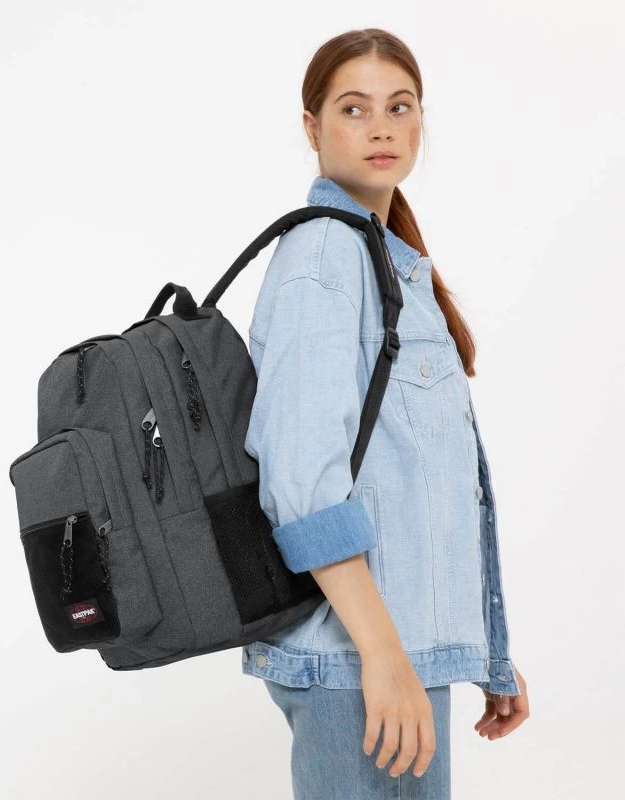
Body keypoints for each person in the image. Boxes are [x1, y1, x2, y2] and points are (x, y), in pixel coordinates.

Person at [240, 28, 530, 798]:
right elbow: (304, 481)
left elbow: (418, 485)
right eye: (354, 108)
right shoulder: (325, 259)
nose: (381, 128)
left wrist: (481, 649)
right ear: (312, 128)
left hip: (394, 653)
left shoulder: (383, 257)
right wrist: (384, 655)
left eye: (399, 107)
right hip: (358, 661)